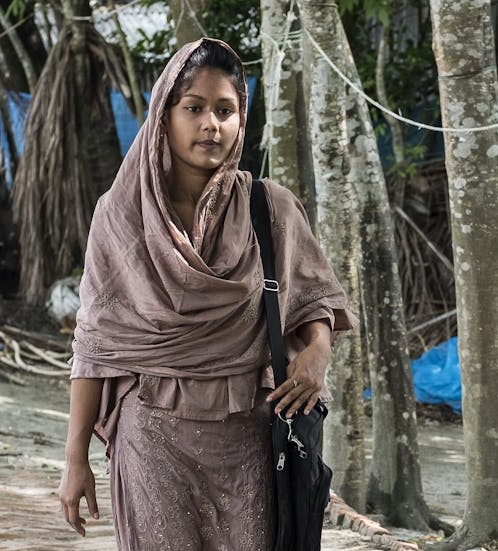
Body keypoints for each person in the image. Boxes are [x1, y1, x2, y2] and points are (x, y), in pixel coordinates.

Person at [58, 37, 356, 551]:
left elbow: (313, 301)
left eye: (226, 110)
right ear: (163, 114)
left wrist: (318, 355)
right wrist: (75, 460)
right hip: (150, 432)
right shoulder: (121, 215)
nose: (210, 125)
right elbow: (97, 345)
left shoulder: (271, 208)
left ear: (242, 121)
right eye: (193, 108)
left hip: (251, 438)